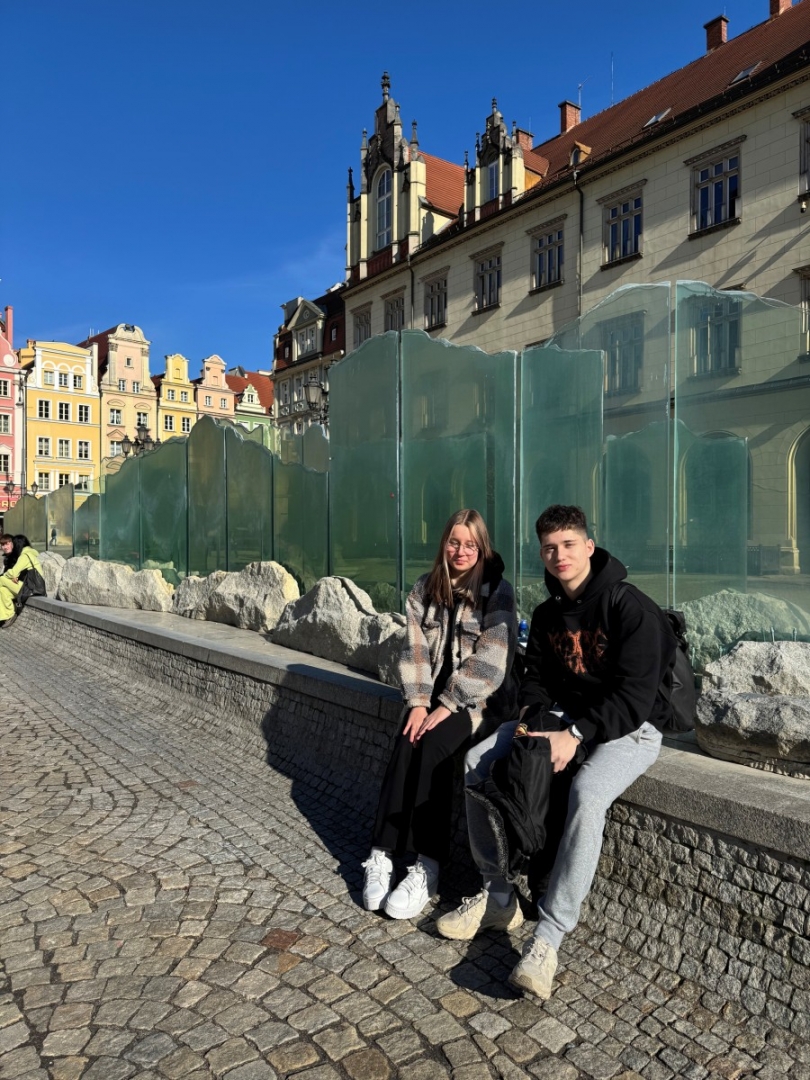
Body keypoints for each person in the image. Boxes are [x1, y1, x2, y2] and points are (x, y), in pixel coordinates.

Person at [437, 504, 676, 1000]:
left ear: (589, 546)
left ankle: (548, 938)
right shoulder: (547, 614)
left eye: (568, 545)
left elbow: (635, 697)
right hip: (562, 719)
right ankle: (498, 896)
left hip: (630, 729)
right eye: (549, 548)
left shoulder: (631, 608)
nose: (559, 555)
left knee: (588, 793)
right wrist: (533, 727)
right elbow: (536, 681)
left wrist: (577, 735)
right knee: (477, 762)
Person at [362, 509, 518, 921]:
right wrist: (417, 703)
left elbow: (492, 661)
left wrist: (448, 704)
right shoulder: (425, 588)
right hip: (430, 696)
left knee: (432, 745)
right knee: (407, 738)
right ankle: (381, 853)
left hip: (478, 702)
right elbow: (413, 650)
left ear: (482, 548)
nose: (461, 551)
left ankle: (427, 865)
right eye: (454, 542)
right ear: (443, 544)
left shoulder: (498, 592)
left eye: (470, 544)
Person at [0, 534, 42, 626]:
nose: (12, 547)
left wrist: (10, 576)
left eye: (11, 544)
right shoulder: (27, 554)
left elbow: (13, 572)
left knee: (1, 579)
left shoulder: (25, 556)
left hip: (30, 589)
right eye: (3, 545)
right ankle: (9, 615)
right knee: (2, 590)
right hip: (28, 587)